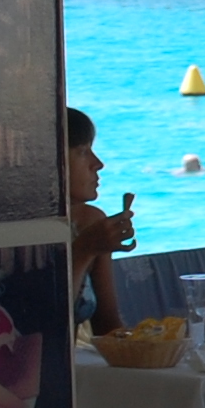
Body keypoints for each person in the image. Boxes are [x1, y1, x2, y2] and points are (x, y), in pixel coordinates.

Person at [67, 108, 134, 334]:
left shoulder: (90, 222)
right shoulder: (15, 232)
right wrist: (84, 249)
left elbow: (108, 328)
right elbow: (44, 323)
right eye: (83, 151)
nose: (98, 163)